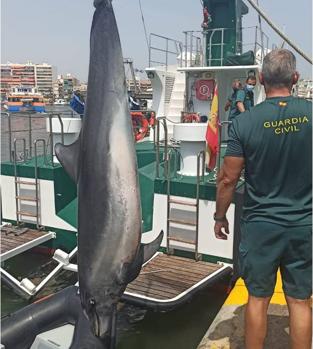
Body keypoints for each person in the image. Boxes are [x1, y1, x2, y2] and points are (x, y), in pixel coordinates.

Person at [214, 48, 312, 349]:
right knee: (300, 301)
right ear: (295, 78)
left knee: (257, 299)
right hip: (304, 225)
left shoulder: (245, 123)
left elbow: (228, 178)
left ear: (259, 79)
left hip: (261, 226)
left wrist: (220, 216)